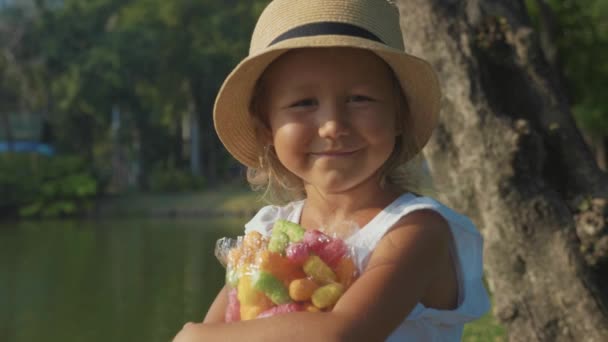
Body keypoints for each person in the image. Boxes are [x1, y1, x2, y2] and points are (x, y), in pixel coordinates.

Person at [173, 0, 490, 341]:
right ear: (267, 127)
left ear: (399, 115)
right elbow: (227, 319)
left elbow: (340, 335)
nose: (332, 126)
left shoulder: (413, 231)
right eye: (303, 103)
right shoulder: (269, 234)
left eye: (359, 98)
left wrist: (194, 336)